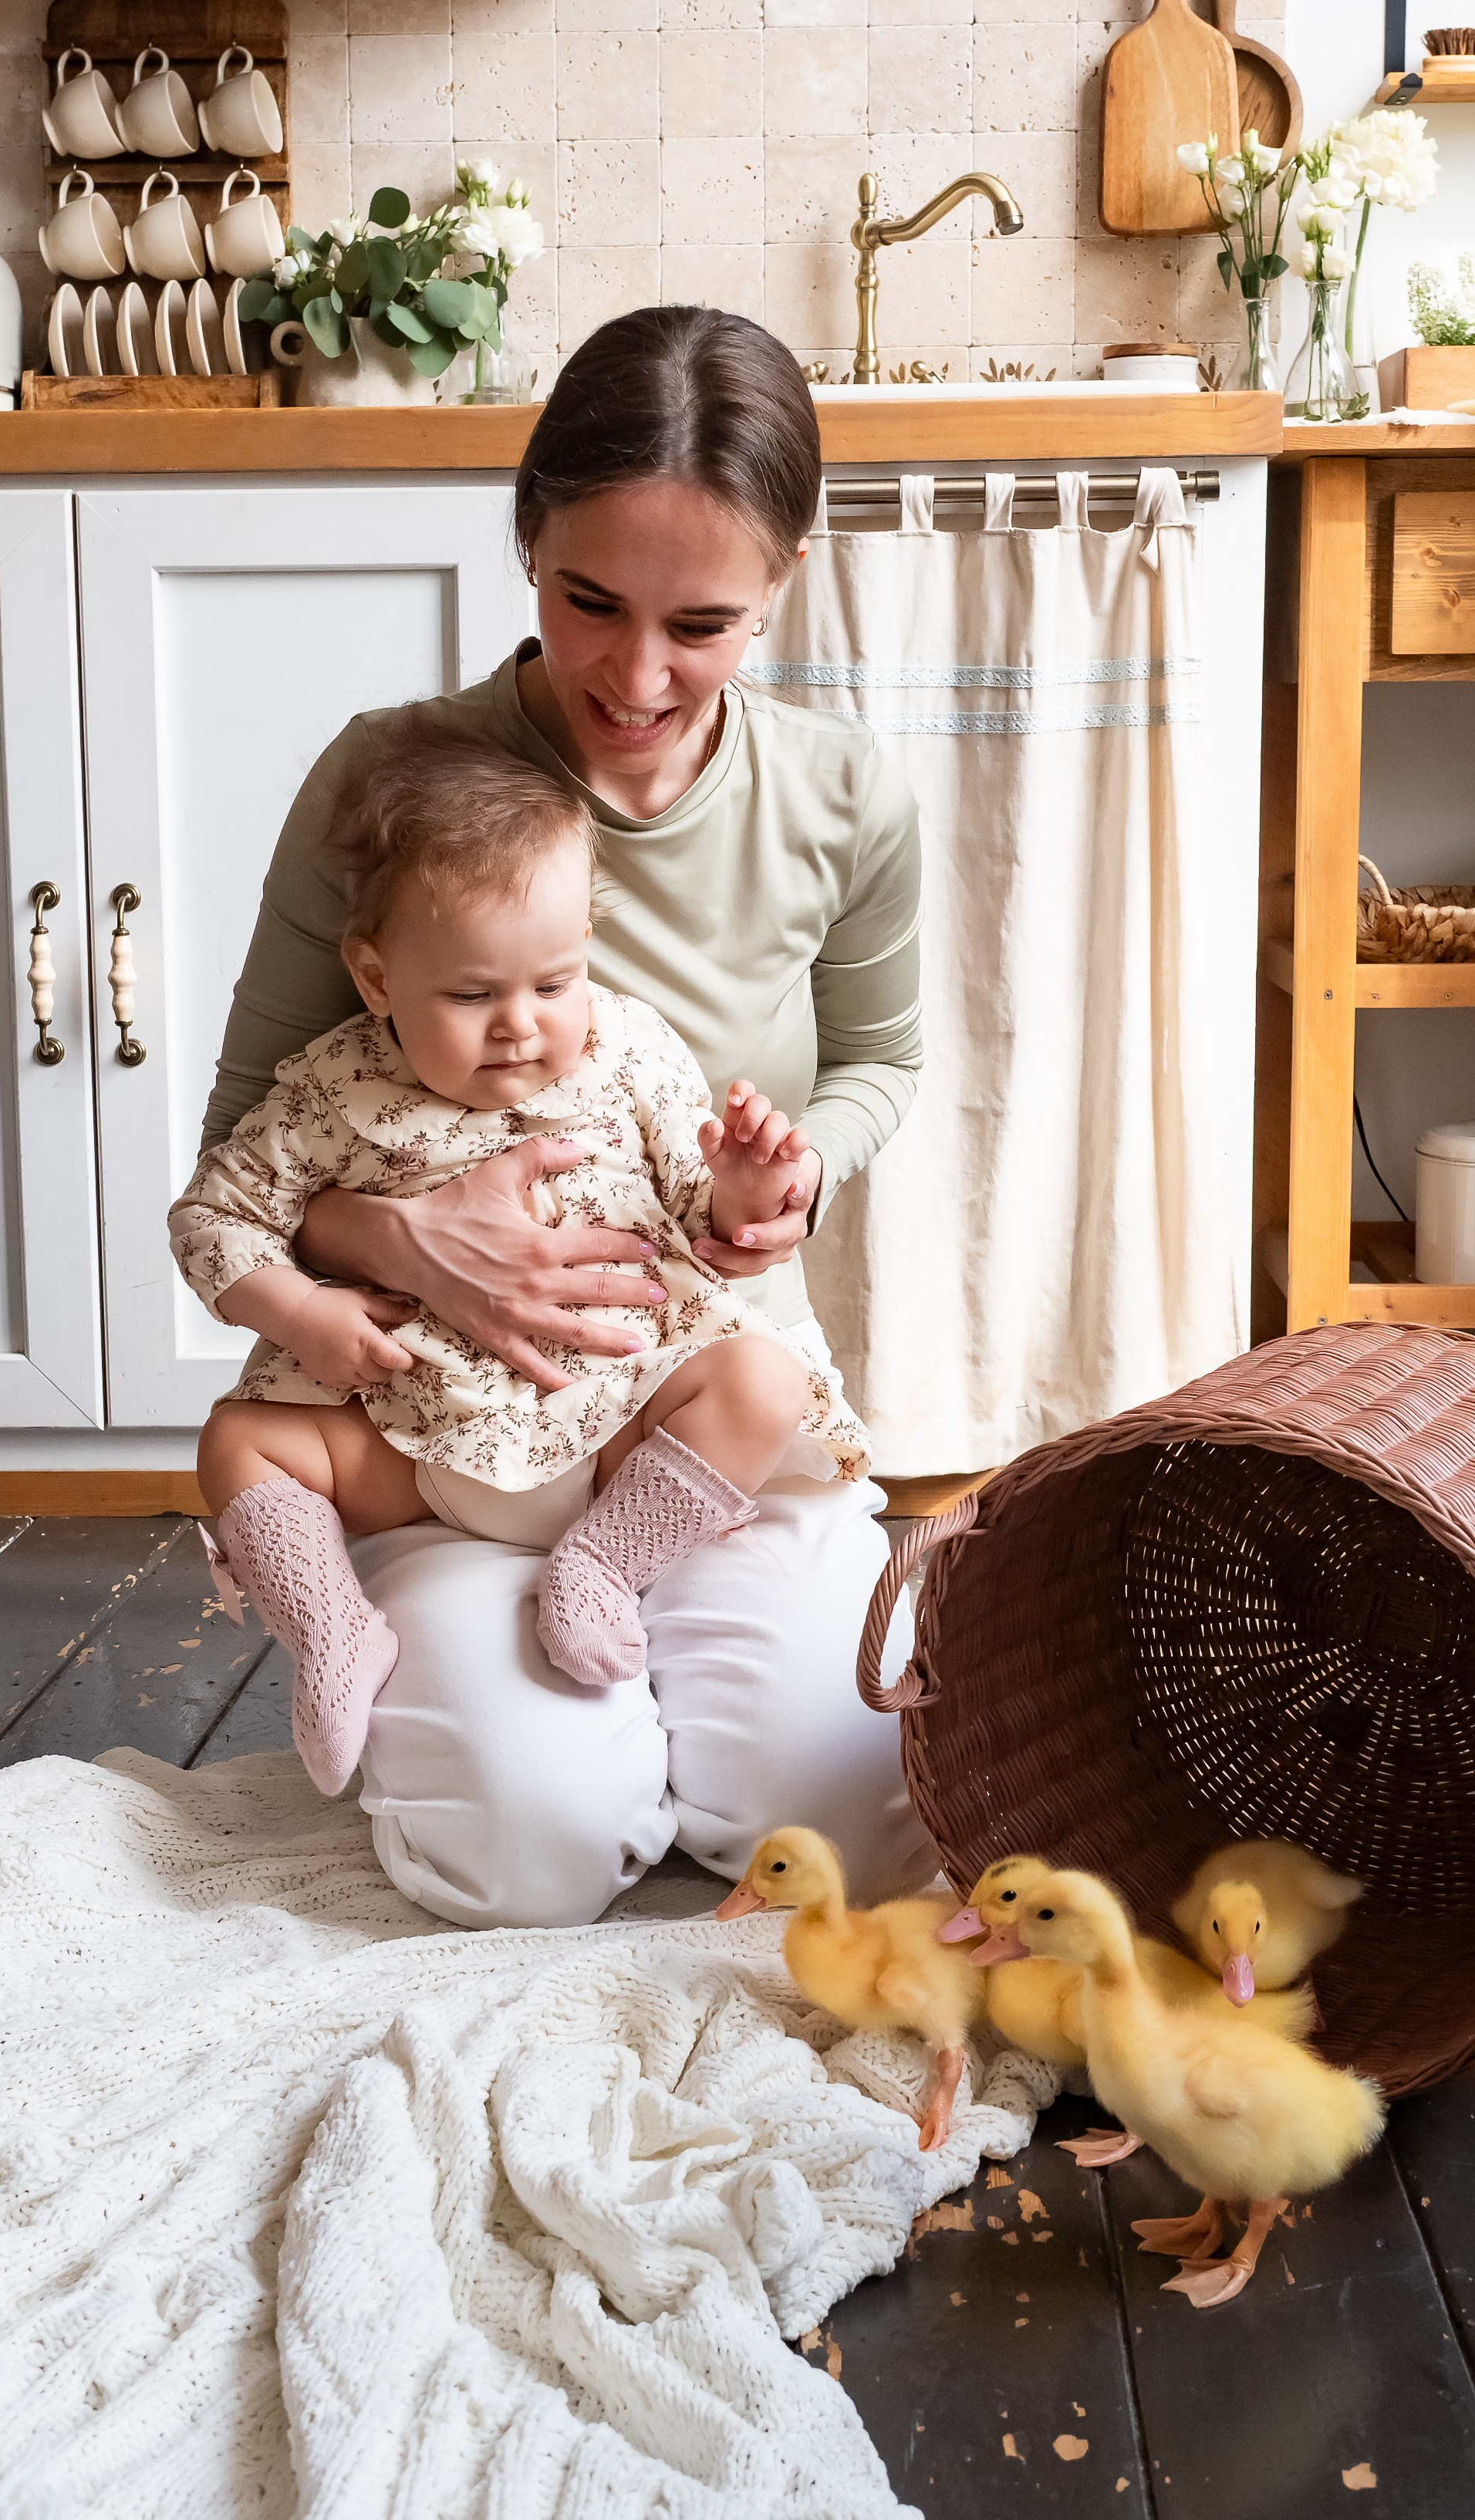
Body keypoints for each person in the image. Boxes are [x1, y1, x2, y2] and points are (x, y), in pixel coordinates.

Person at [200, 302, 936, 1928]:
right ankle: (516, 1688)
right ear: (525, 535)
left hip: (689, 1404)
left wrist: (796, 1179)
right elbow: (246, 1139)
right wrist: (406, 1244)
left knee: (836, 1834)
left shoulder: (841, 798)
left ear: (784, 578)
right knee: (525, 1856)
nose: (637, 675)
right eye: (588, 599)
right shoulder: (387, 783)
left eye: (704, 622)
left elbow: (881, 1064)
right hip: (445, 1421)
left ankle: (643, 1635)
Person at [171, 728, 867, 1794]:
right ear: (375, 976)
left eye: (554, 982)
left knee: (760, 1381)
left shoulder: (630, 1047)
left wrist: (742, 1188)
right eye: (469, 995)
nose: (519, 1026)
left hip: (618, 1428)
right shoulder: (331, 1089)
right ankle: (334, 1630)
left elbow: (699, 1212)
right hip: (416, 1442)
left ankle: (605, 1563)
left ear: (585, 943)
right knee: (238, 1439)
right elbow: (214, 1216)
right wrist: (300, 1314)